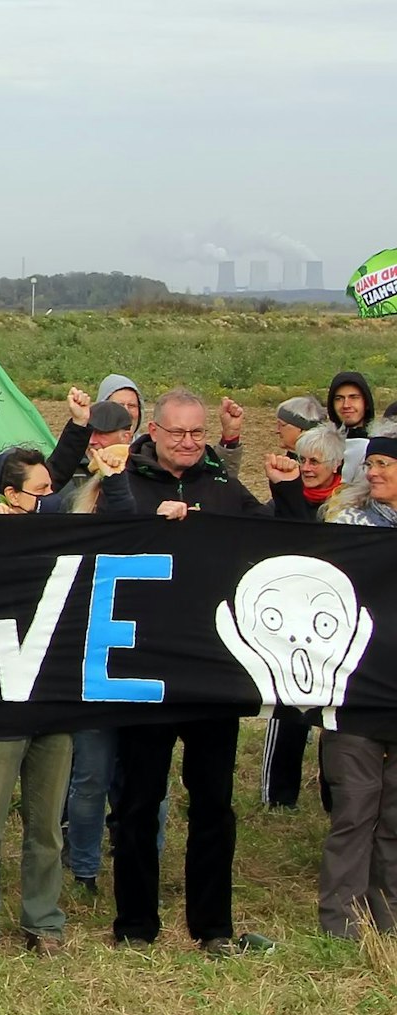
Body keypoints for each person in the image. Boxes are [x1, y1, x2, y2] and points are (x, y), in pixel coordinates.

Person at [109, 389, 291, 957]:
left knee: (213, 801)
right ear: (155, 432)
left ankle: (212, 926)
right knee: (138, 801)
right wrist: (150, 525)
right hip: (145, 666)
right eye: (178, 433)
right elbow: (97, 540)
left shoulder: (222, 485)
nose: (188, 442)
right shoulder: (127, 484)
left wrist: (287, 490)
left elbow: (281, 540)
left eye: (197, 433)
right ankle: (135, 924)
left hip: (214, 668)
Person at [0, 446, 125, 956]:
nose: (52, 498)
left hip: (53, 695)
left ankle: (44, 922)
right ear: (11, 495)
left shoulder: (63, 535)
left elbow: (121, 532)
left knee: (46, 825)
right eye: (41, 490)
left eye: (52, 489)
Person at [318, 430, 397, 937]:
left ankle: (389, 919)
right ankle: (341, 923)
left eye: (385, 464)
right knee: (354, 807)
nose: (373, 472)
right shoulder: (346, 525)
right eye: (370, 464)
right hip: (355, 690)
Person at [260, 425, 348, 811]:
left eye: (315, 461)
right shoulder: (281, 499)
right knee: (288, 707)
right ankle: (278, 795)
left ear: (336, 465)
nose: (307, 468)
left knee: (334, 713)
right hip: (291, 616)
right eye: (302, 459)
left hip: (332, 621)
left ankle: (334, 794)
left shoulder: (348, 507)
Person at [329, 371, 375, 439]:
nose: (346, 405)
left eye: (354, 397)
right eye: (339, 399)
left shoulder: (381, 444)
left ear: (367, 403)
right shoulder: (319, 444)